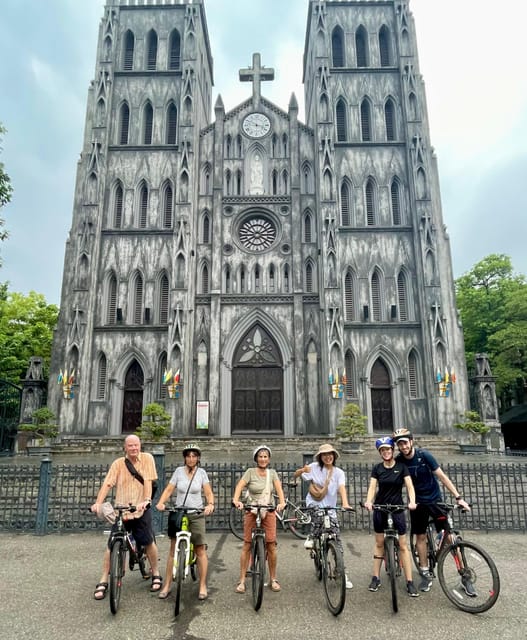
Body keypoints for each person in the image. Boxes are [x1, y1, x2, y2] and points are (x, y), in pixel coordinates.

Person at [392, 427, 474, 595]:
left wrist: (458, 497)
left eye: (405, 443)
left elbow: (442, 477)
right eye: (400, 444)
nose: (403, 446)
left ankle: (464, 575)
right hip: (417, 504)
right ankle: (425, 572)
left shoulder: (425, 455)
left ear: (411, 441)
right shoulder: (399, 461)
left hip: (435, 500)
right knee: (420, 537)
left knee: (450, 537)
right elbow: (394, 483)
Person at [90, 434, 161, 600]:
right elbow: (107, 484)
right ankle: (104, 579)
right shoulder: (118, 464)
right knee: (111, 544)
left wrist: (147, 501)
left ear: (140, 445)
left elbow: (149, 482)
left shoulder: (147, 459)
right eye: (130, 446)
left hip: (140, 508)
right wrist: (98, 503)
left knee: (148, 541)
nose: (134, 448)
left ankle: (156, 572)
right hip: (122, 509)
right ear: (125, 447)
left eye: (136, 445)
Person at [156, 443, 215, 601]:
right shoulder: (178, 472)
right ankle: (167, 584)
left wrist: (210, 504)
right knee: (172, 549)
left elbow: (208, 492)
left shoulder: (201, 473)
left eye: (194, 456)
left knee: (200, 549)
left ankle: (202, 585)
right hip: (179, 512)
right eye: (188, 456)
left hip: (196, 513)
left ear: (198, 458)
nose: (191, 458)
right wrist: (161, 503)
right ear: (184, 458)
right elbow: (169, 489)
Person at [293, 443, 353, 589]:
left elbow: (341, 489)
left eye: (330, 454)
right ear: (320, 457)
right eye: (325, 454)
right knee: (318, 517)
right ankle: (312, 536)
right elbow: (296, 474)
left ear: (334, 456)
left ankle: (341, 571)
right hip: (314, 502)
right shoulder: (314, 467)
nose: (328, 457)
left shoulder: (338, 472)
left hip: (330, 506)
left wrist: (345, 503)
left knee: (336, 538)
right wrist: (302, 470)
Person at [363, 436, 418, 597]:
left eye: (388, 449)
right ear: (380, 453)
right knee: (379, 543)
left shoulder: (401, 467)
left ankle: (409, 581)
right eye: (382, 450)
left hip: (397, 508)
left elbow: (409, 486)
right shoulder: (377, 469)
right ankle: (375, 577)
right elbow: (373, 487)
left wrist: (412, 501)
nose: (386, 452)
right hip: (380, 508)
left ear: (392, 450)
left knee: (403, 545)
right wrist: (368, 501)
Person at [232, 445, 286, 594]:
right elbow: (239, 486)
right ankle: (242, 580)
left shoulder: (272, 473)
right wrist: (236, 500)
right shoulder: (250, 472)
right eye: (260, 456)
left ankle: (273, 578)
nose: (263, 459)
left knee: (271, 545)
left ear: (269, 459)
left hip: (268, 509)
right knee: (247, 544)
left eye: (265, 456)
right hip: (252, 509)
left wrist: (282, 502)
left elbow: (279, 489)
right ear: (256, 458)